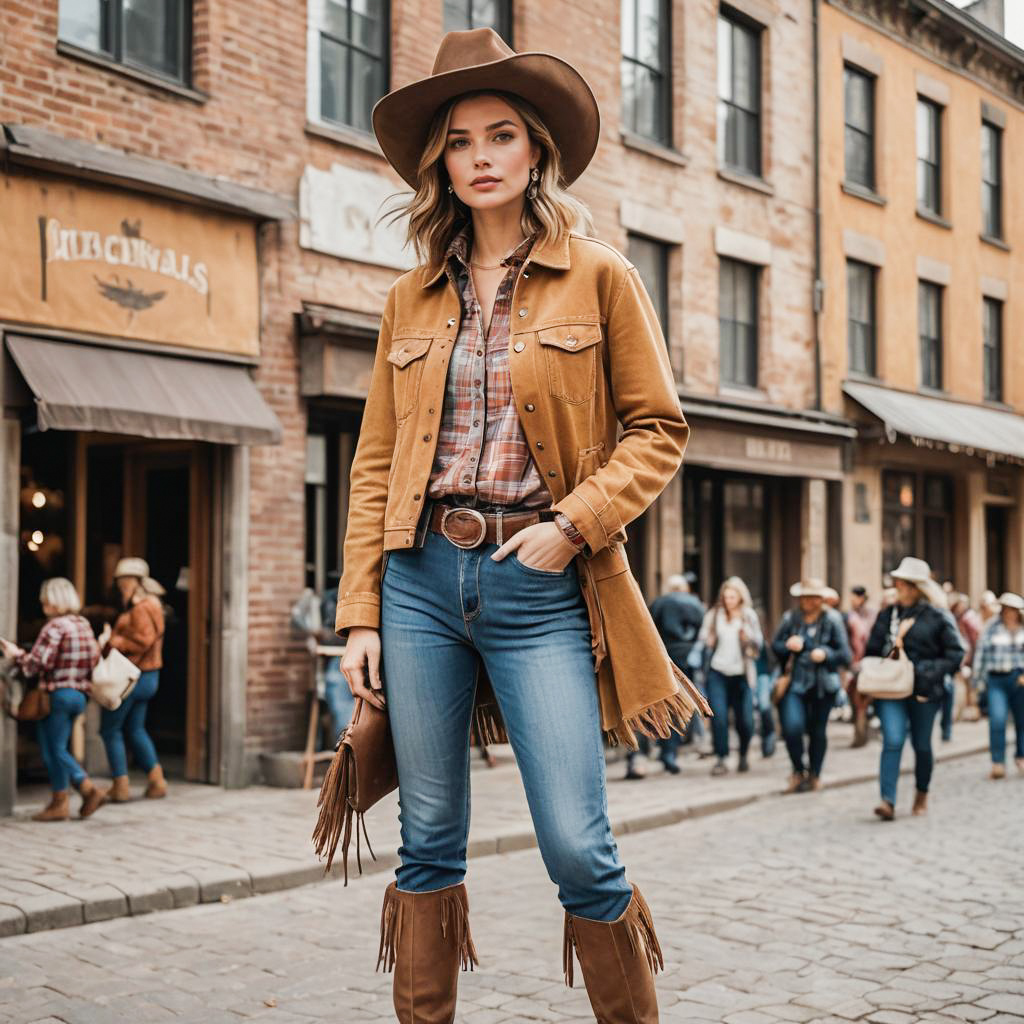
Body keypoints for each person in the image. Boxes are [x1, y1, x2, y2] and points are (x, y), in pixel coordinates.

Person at [334, 28, 707, 1023]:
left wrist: (572, 526)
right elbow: (373, 465)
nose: (482, 155)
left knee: (578, 845)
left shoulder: (600, 276)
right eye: (460, 141)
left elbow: (660, 428)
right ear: (439, 163)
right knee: (428, 836)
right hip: (417, 581)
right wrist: (360, 612)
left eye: (502, 134)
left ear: (536, 149)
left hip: (539, 582)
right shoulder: (405, 302)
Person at [865, 557, 965, 821]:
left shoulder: (937, 615)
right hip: (890, 689)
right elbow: (871, 651)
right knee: (893, 740)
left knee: (921, 745)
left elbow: (956, 653)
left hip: (924, 691)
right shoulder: (887, 615)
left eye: (902, 582)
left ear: (915, 586)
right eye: (897, 581)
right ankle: (887, 800)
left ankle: (922, 792)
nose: (897, 585)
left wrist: (926, 671)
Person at [0, 578, 104, 821]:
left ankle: (87, 789)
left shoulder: (55, 627)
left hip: (57, 695)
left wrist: (16, 655)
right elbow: (94, 660)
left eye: (45, 598)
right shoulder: (83, 625)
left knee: (54, 749)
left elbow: (36, 665)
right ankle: (60, 803)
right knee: (54, 748)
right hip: (79, 695)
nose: (42, 603)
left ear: (55, 601)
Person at [771, 579, 852, 794]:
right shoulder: (791, 618)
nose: (808, 601)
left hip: (822, 685)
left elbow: (845, 654)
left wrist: (825, 654)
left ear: (821, 599)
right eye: (805, 597)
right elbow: (775, 646)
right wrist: (788, 646)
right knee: (792, 728)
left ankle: (815, 774)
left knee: (817, 731)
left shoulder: (832, 619)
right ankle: (798, 770)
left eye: (813, 597)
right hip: (794, 683)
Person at [97, 558, 168, 802]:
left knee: (110, 729)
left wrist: (113, 641)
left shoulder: (141, 608)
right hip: (148, 676)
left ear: (137, 582)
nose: (121, 585)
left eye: (125, 580)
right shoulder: (152, 605)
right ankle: (156, 779)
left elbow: (142, 640)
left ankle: (120, 785)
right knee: (136, 729)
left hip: (132, 676)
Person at [624, 574, 706, 778]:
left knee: (657, 707)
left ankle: (651, 754)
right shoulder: (696, 605)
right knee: (677, 709)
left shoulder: (659, 603)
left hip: (661, 661)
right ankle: (670, 755)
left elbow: (647, 630)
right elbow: (702, 633)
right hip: (687, 662)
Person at [698, 577, 763, 777]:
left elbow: (759, 644)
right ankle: (721, 758)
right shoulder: (714, 614)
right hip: (718, 672)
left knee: (745, 720)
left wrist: (748, 638)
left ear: (740, 597)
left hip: (742, 674)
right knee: (719, 718)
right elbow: (702, 637)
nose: (728, 600)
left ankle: (743, 754)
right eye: (726, 597)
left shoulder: (748, 615)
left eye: (732, 597)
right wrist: (708, 640)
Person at [973, 592, 1024, 780]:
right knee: (997, 719)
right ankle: (998, 762)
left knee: (1022, 721)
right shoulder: (991, 628)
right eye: (1007, 609)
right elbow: (981, 654)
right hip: (996, 679)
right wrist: (977, 681)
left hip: (1019, 679)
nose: (1010, 613)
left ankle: (1021, 756)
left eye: (1014, 610)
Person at [847, 585, 877, 747]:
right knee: (855, 699)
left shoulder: (873, 615)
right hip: (854, 663)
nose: (852, 601)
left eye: (854, 597)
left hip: (870, 662)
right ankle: (859, 731)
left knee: (866, 699)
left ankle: (863, 731)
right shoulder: (850, 617)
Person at [949, 592, 982, 722]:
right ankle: (966, 712)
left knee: (969, 685)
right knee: (965, 684)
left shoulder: (968, 618)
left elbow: (975, 637)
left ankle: (971, 711)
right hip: (964, 654)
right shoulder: (958, 617)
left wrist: (973, 656)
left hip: (968, 654)